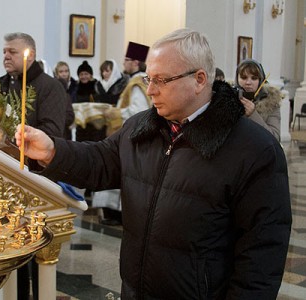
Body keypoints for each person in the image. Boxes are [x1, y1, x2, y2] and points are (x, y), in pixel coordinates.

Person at [15, 28, 292, 299]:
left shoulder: (254, 149)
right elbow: (100, 161)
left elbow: (262, 254)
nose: (149, 90)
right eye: (149, 78)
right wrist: (52, 150)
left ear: (199, 79)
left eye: (161, 80)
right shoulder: (141, 128)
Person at [0, 32, 67, 300]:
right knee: (13, 252)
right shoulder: (2, 85)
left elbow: (53, 132)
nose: (6, 56)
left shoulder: (49, 87)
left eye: (12, 52)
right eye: (4, 51)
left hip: (38, 181)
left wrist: (14, 133)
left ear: (30, 55)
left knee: (37, 248)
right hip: (6, 178)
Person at [94, 42, 152, 225]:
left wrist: (115, 113)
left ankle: (116, 213)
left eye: (127, 60)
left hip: (130, 135)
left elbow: (138, 111)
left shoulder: (137, 82)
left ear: (135, 62)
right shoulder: (141, 80)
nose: (123, 63)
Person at [235, 59, 282, 141]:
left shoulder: (271, 103)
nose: (248, 82)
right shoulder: (227, 100)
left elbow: (275, 138)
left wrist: (253, 115)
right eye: (244, 77)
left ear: (260, 80)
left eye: (254, 78)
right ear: (237, 79)